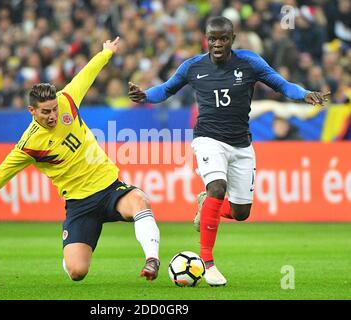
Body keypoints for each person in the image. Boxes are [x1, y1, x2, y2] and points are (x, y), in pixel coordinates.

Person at [128, 16, 329, 286]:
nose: (217, 44)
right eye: (212, 39)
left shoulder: (249, 62)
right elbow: (165, 89)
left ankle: (206, 206)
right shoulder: (193, 67)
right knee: (217, 186)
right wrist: (145, 95)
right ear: (206, 40)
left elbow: (282, 85)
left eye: (223, 38)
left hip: (241, 144)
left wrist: (304, 94)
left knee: (241, 212)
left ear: (232, 39)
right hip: (208, 139)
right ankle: (207, 263)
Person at [0, 37, 161, 282]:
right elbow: (0, 175)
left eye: (54, 109)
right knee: (77, 272)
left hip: (109, 188)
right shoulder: (29, 145)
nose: (53, 115)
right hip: (79, 204)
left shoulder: (67, 100)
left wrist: (106, 52)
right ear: (32, 111)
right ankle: (71, 254)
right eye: (46, 111)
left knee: (140, 200)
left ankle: (152, 260)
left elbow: (88, 73)